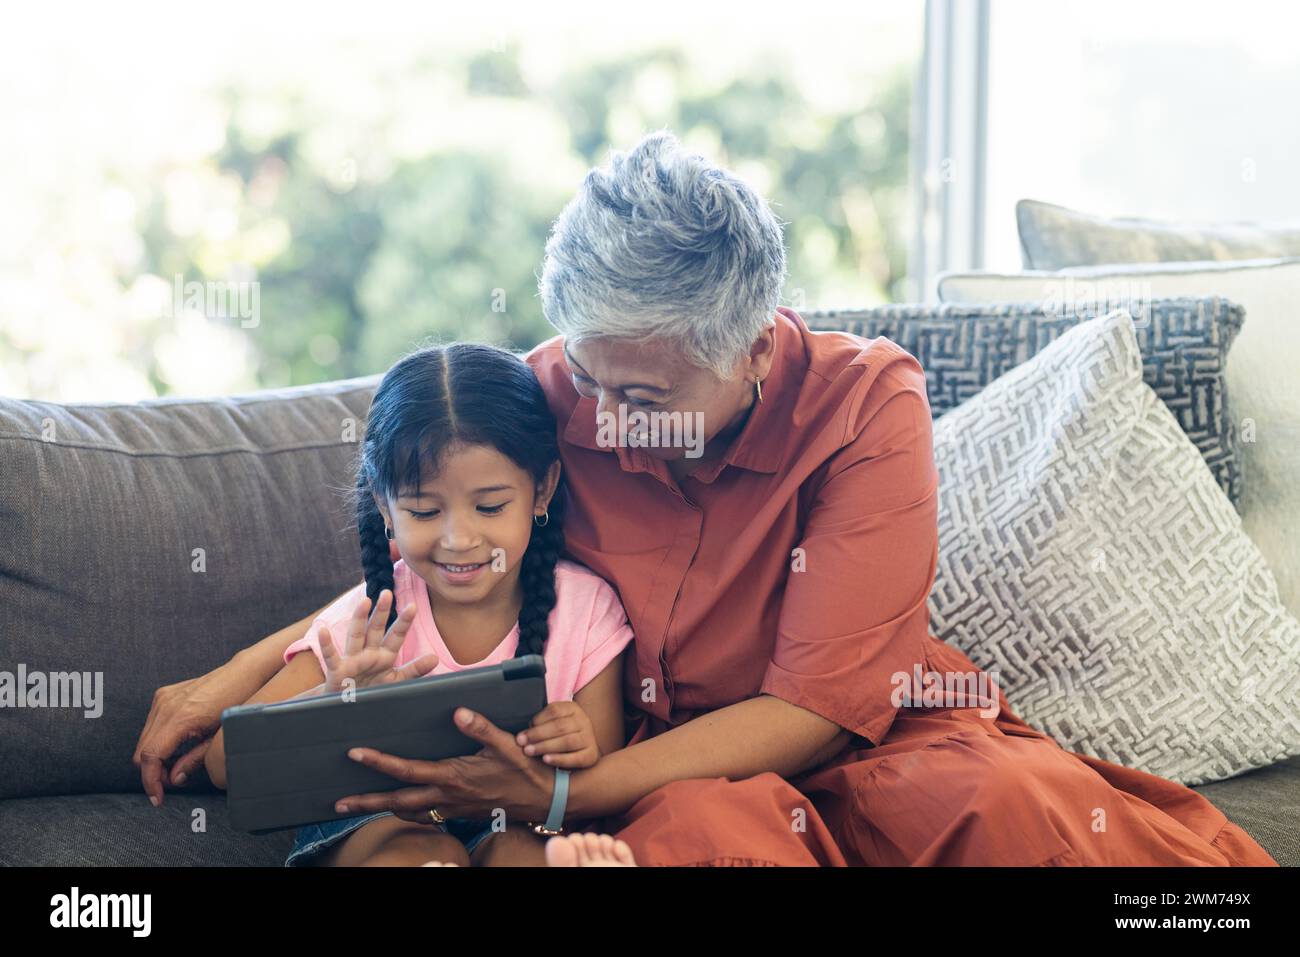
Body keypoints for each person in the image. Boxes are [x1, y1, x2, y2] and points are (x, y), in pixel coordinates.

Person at [137, 129, 1278, 866]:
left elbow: (815, 709)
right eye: (585, 375)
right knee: (698, 840)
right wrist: (235, 676)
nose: (599, 412)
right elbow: (436, 551)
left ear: (752, 350)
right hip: (666, 756)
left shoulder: (864, 409)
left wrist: (561, 788)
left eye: (640, 390)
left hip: (850, 731)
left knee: (1015, 816)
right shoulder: (560, 389)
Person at [201, 342, 636, 866]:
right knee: (413, 849)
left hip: (515, 818)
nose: (459, 538)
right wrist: (327, 700)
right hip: (381, 824)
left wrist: (575, 742)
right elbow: (225, 765)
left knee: (521, 849)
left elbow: (603, 771)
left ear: (542, 489)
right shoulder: (366, 622)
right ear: (385, 508)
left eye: (491, 506)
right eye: (425, 511)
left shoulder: (585, 610)